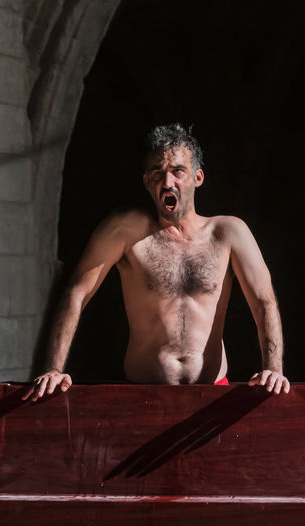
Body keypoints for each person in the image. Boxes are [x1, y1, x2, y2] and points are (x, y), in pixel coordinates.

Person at [25, 124, 289, 400]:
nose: (167, 182)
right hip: (143, 395)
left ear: (198, 177)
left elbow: (264, 301)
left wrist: (273, 369)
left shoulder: (229, 232)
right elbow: (77, 292)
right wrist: (53, 368)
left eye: (178, 171)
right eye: (157, 173)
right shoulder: (125, 231)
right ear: (147, 182)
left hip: (212, 393)